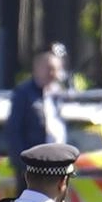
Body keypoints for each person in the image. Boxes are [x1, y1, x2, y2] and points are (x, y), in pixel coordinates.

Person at [7, 48, 67, 192]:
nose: (53, 74)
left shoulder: (55, 95)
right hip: (33, 169)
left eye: (56, 70)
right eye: (50, 69)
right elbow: (14, 130)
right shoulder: (24, 94)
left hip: (55, 167)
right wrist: (25, 165)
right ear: (37, 68)